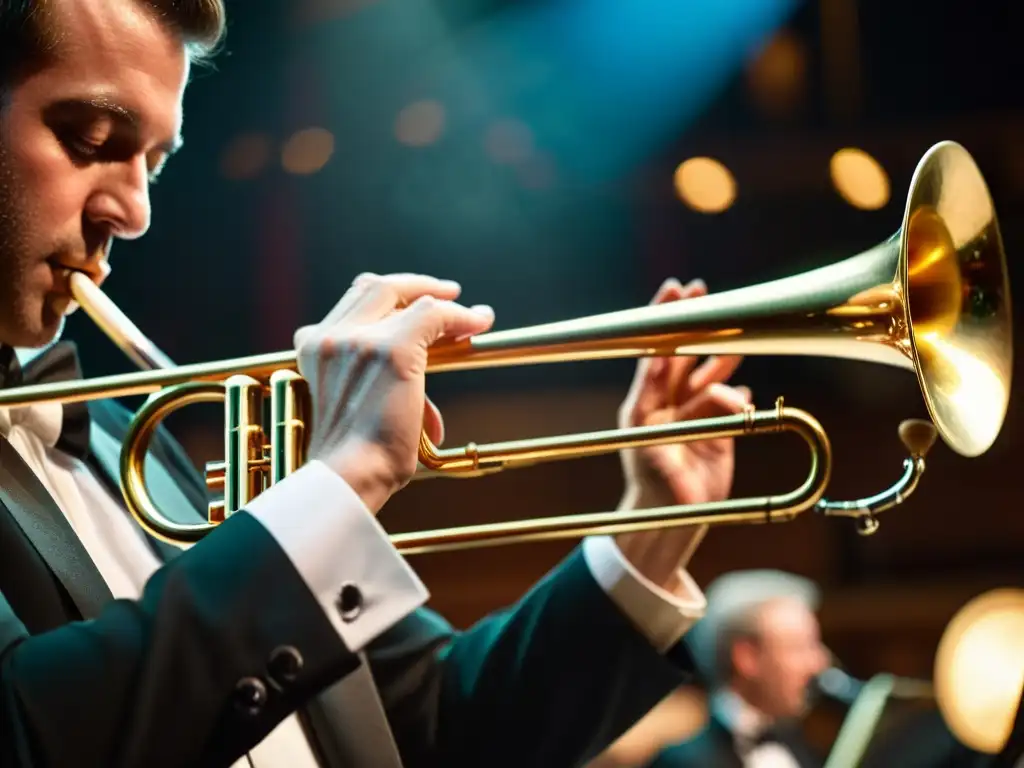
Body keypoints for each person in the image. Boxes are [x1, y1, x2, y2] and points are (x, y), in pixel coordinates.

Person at [0, 1, 757, 766]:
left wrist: (650, 532)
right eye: (90, 140)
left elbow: (441, 723)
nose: (134, 212)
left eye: (153, 165)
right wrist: (338, 484)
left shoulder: (128, 443)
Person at [646, 569, 831, 768]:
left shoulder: (805, 748)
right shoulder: (682, 762)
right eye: (799, 648)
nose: (819, 663)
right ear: (747, 658)